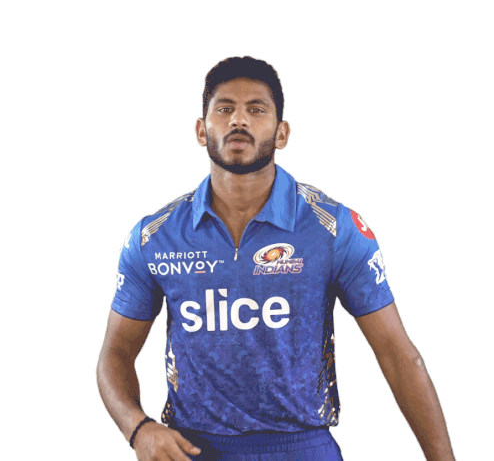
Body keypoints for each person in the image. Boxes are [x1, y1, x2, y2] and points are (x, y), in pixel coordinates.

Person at [96, 55, 456, 461]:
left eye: (256, 109)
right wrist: (138, 428)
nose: (239, 120)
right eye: (225, 109)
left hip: (301, 446)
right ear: (201, 130)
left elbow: (396, 352)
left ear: (282, 133)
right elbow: (115, 352)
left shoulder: (333, 229)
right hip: (192, 448)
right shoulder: (155, 237)